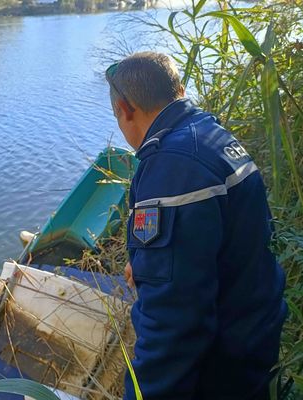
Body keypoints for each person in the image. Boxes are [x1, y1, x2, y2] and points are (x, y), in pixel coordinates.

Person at [105, 52, 287, 399]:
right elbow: (213, 246)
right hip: (254, 337)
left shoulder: (173, 167)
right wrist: (147, 266)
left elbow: (173, 321)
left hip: (221, 369)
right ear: (180, 90)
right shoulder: (209, 135)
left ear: (125, 109)